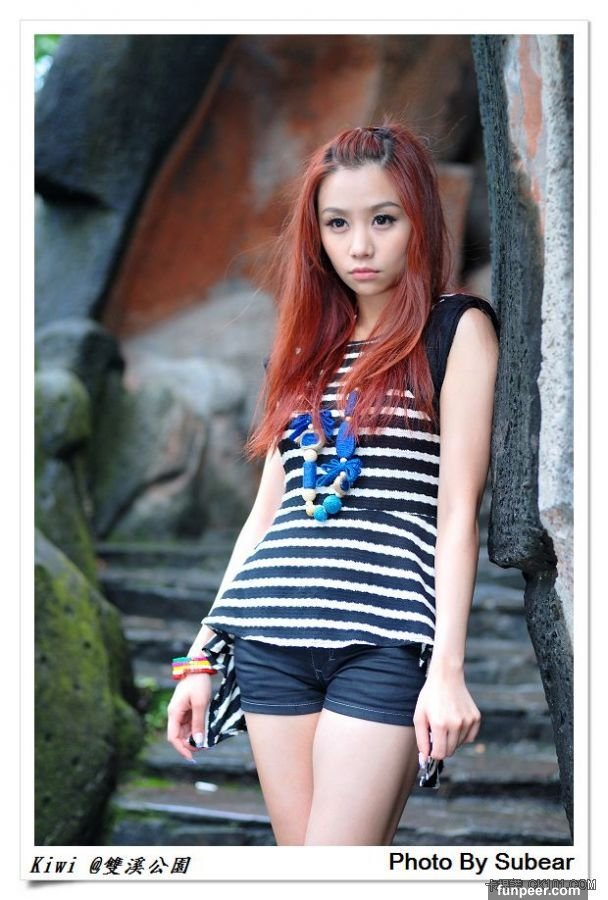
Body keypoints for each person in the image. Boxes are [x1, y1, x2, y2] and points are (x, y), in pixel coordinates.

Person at [167, 122, 499, 846]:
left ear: (420, 219)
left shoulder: (455, 331)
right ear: (315, 234)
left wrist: (447, 670)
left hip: (383, 641)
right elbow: (267, 516)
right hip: (271, 636)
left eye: (383, 219)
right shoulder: (300, 349)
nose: (360, 246)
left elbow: (456, 515)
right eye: (338, 224)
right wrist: (203, 652)